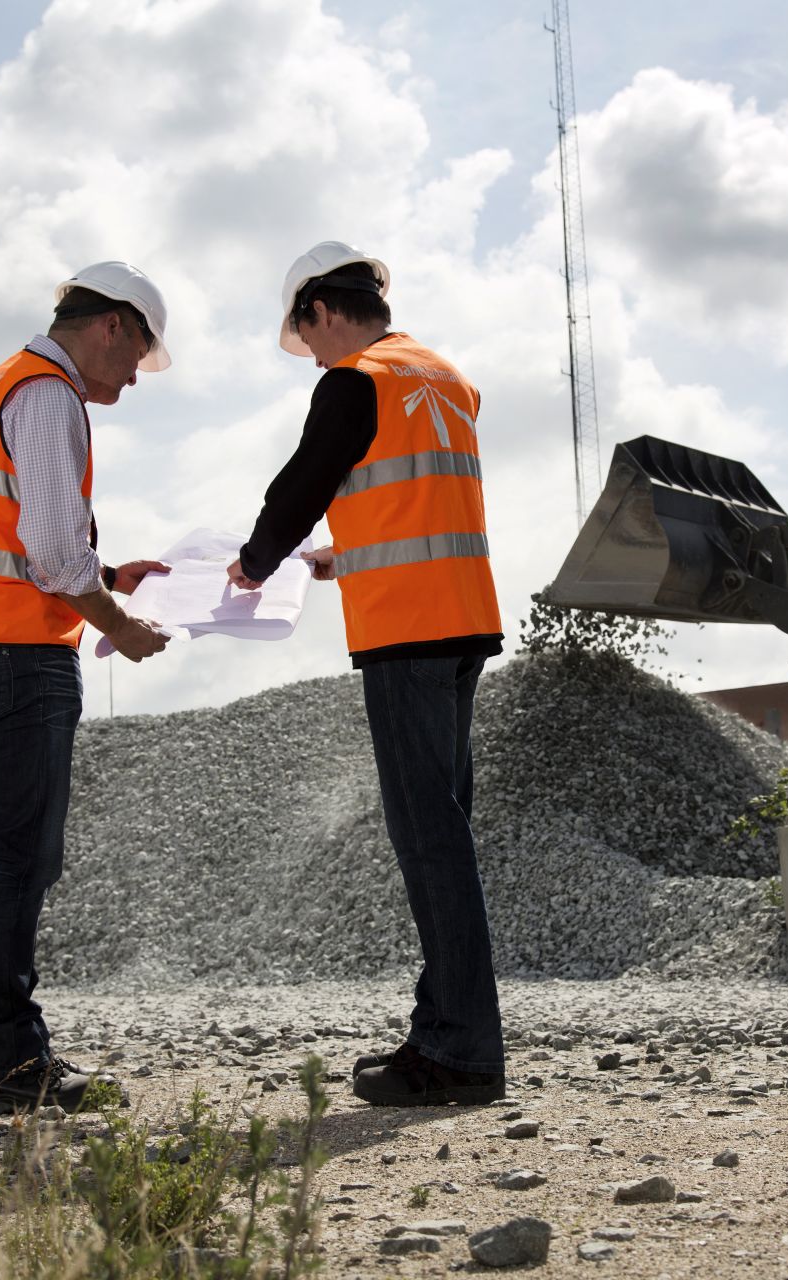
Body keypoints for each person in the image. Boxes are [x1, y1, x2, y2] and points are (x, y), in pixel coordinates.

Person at [229, 241, 507, 1106]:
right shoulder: (446, 377)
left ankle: (460, 1053)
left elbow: (306, 479)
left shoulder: (354, 380)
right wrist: (344, 559)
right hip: (462, 621)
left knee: (430, 839)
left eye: (304, 336)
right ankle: (444, 1032)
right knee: (444, 830)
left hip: (406, 637)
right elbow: (422, 504)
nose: (308, 354)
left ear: (321, 311)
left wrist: (253, 561)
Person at [0, 261, 174, 1113]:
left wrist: (110, 577)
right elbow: (52, 554)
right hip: (13, 652)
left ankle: (4, 1056)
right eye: (139, 354)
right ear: (112, 327)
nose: (136, 377)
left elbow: (24, 538)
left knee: (13, 848)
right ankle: (5, 1066)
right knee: (18, 854)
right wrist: (118, 626)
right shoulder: (48, 395)